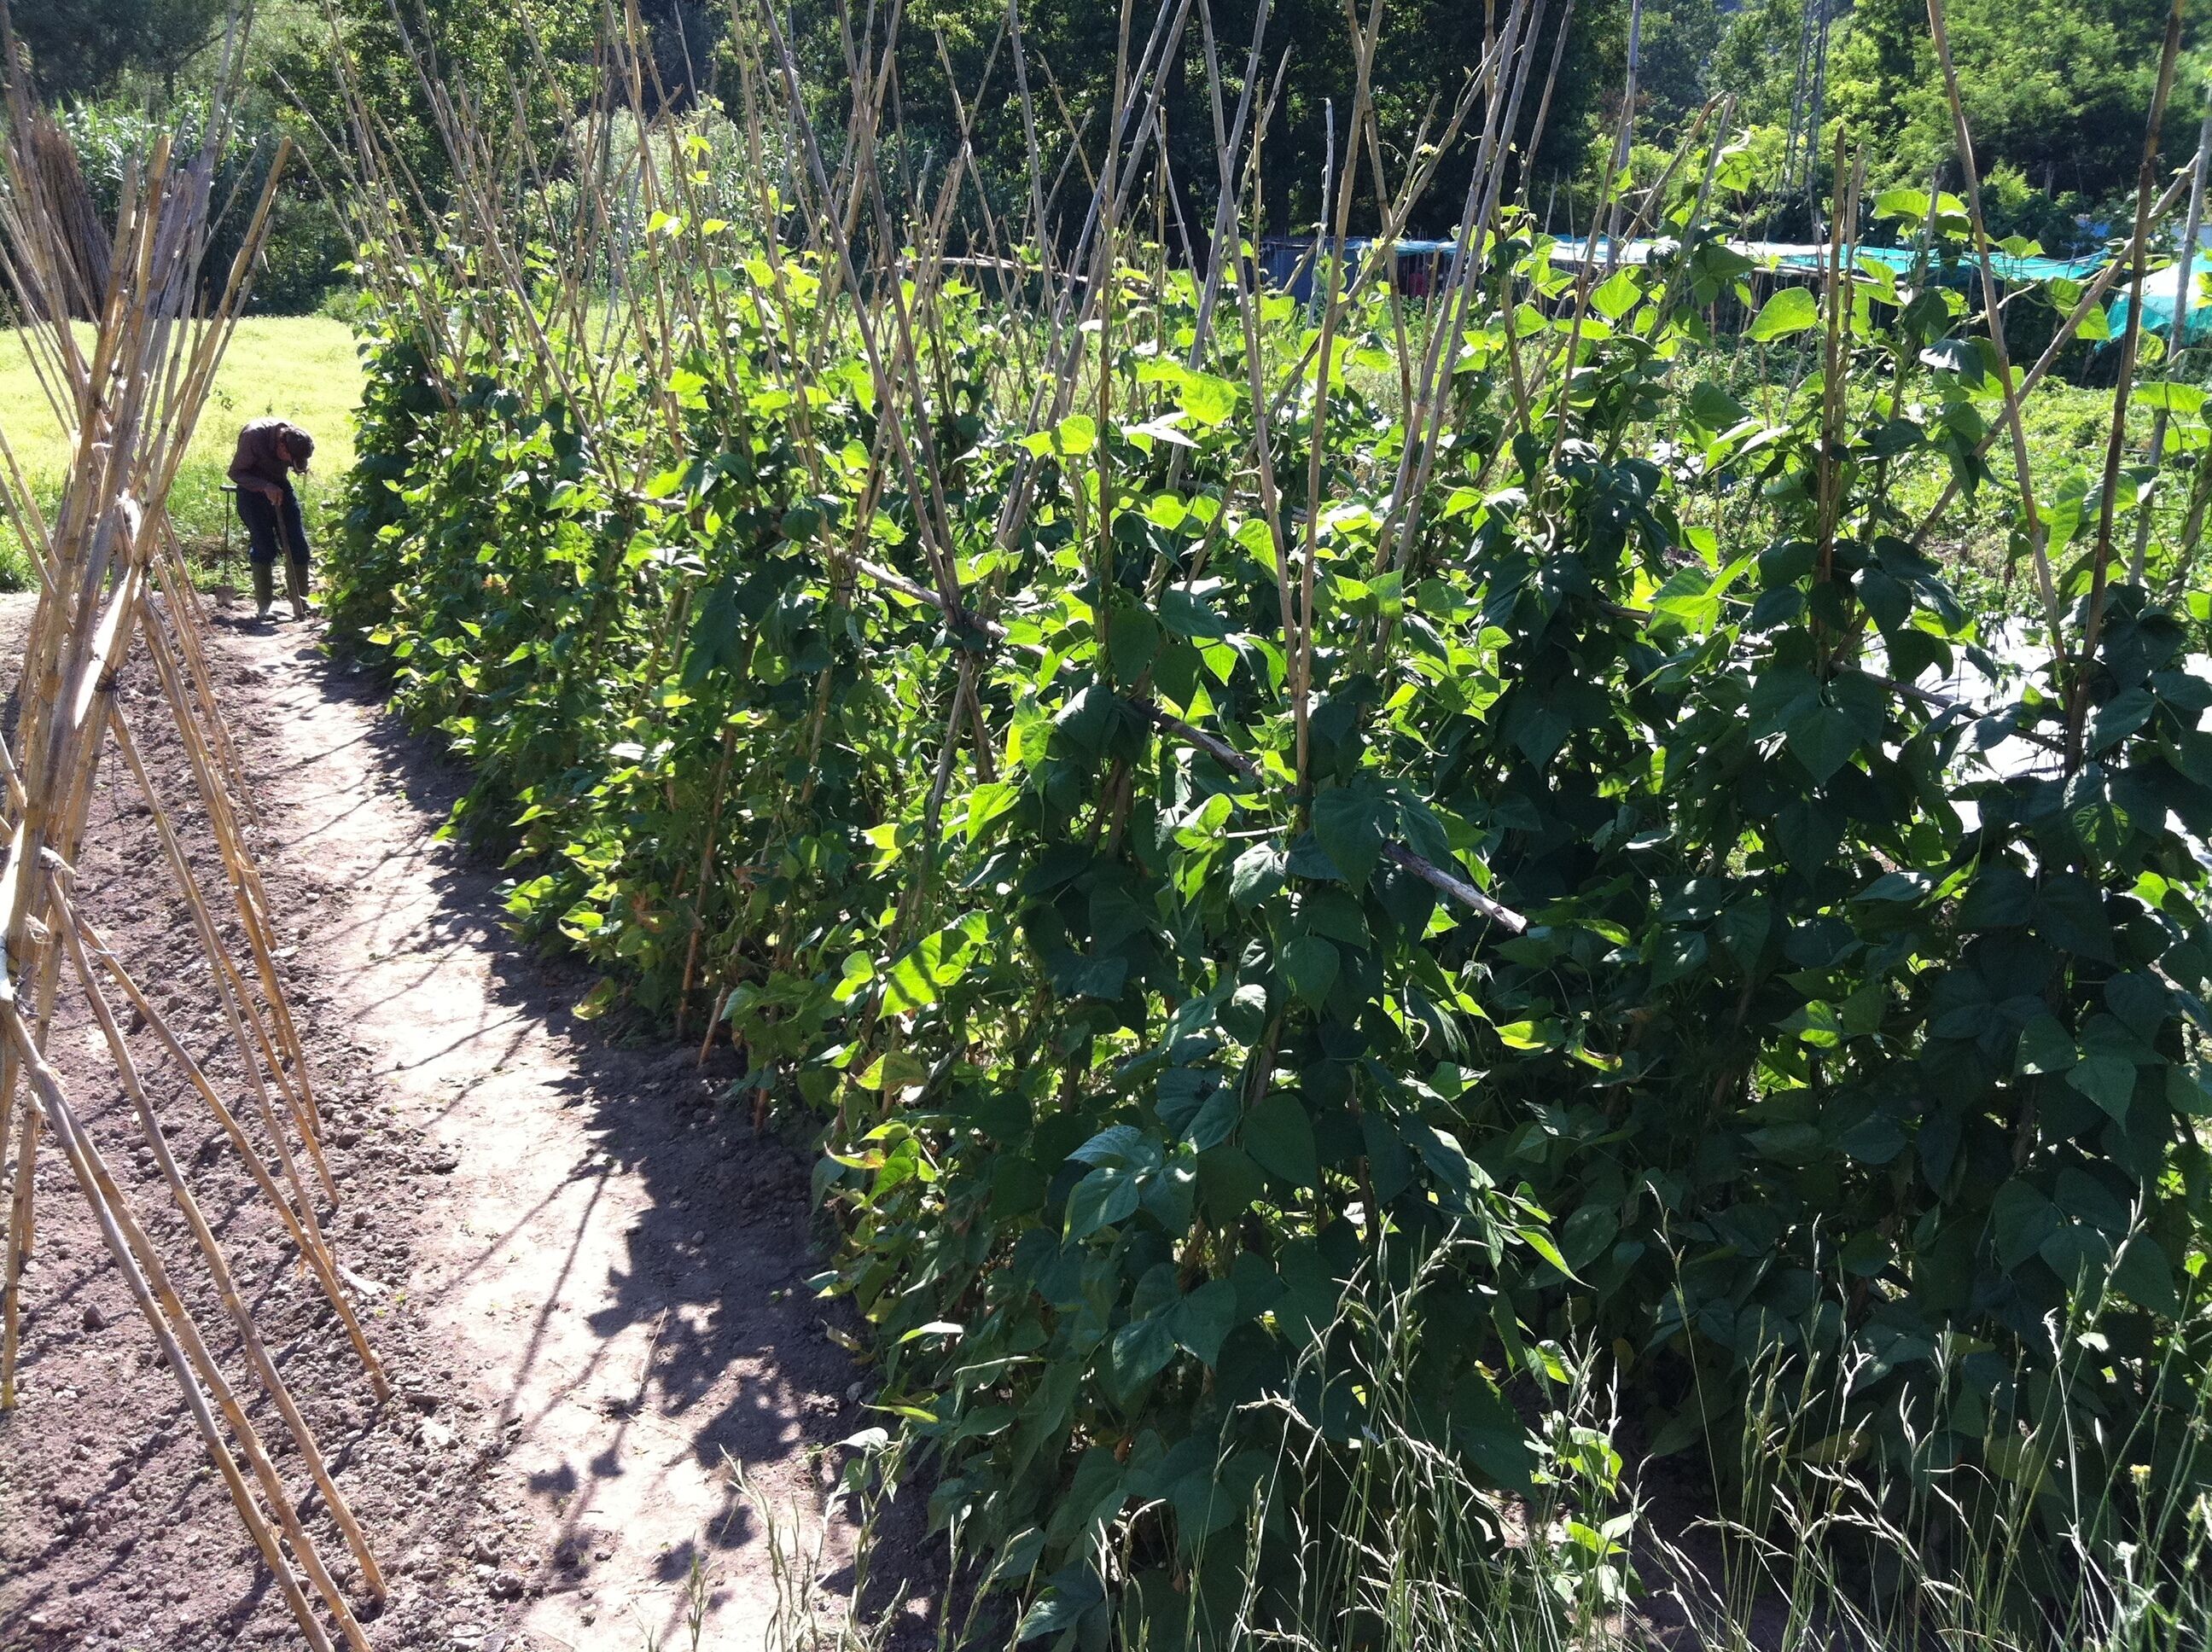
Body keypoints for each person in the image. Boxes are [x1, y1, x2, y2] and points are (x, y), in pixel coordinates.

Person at [228, 416, 316, 621]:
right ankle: (264, 608)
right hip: (251, 491)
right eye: (288, 459)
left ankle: (301, 604)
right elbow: (235, 473)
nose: (287, 462)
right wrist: (264, 486)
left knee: (299, 545)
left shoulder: (295, 438)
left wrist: (297, 469)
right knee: (264, 546)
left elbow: (298, 463)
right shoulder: (253, 436)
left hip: (279, 486)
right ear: (282, 446)